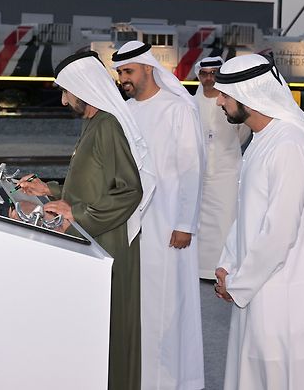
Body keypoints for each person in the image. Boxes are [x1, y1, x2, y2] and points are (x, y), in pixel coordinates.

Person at [15, 50, 155, 390]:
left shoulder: (107, 125)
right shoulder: (94, 123)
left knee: (110, 329)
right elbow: (90, 184)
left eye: (66, 92)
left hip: (106, 241)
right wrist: (46, 189)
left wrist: (76, 214)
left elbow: (128, 191)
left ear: (82, 87)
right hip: (92, 235)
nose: (64, 101)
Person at [213, 54, 304, 390]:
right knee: (255, 371)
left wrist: (237, 283)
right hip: (255, 283)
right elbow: (247, 214)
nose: (220, 101)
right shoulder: (264, 139)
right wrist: (227, 266)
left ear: (249, 94)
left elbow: (279, 232)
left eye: (225, 94)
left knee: (279, 374)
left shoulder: (289, 145)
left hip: (282, 290)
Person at [112, 41, 205, 390]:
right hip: (134, 225)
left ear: (148, 69)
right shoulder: (126, 111)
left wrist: (185, 224)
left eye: (128, 71)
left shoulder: (177, 109)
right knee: (142, 304)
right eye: (120, 72)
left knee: (168, 304)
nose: (123, 79)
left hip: (168, 224)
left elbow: (192, 169)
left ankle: (171, 380)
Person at [193, 56, 251, 280]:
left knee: (226, 220)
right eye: (204, 73)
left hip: (227, 173)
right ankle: (200, 269)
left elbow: (242, 133)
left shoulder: (230, 102)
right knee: (198, 222)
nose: (209, 78)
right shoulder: (190, 103)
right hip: (198, 174)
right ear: (199, 76)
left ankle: (223, 268)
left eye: (213, 73)